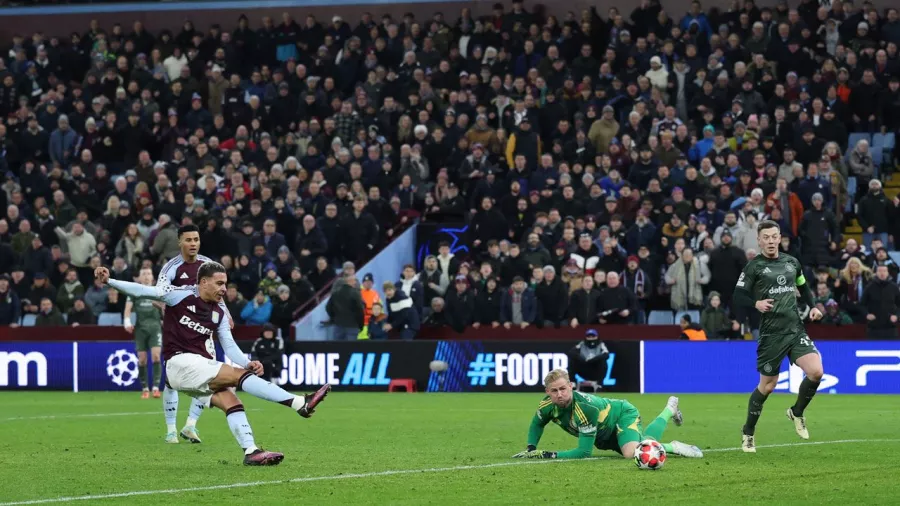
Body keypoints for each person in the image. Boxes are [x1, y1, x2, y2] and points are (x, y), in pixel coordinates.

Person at [94, 263, 331, 466]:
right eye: (219, 284)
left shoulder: (218, 313)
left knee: (231, 400)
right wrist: (110, 280)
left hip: (195, 373)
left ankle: (251, 452)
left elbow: (229, 347)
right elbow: (142, 290)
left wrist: (248, 362)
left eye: (225, 284)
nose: (224, 289)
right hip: (179, 363)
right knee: (237, 378)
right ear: (203, 282)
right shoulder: (180, 295)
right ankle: (300, 403)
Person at [732, 220, 824, 453]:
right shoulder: (753, 267)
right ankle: (748, 433)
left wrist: (812, 306)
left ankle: (797, 412)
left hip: (795, 329)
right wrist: (756, 303)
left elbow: (803, 286)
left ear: (780, 238)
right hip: (771, 335)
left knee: (816, 371)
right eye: (767, 237)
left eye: (775, 237)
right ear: (759, 240)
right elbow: (737, 295)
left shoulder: (792, 263)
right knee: (768, 386)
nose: (771, 241)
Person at [511, 369, 703, 460]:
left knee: (632, 453)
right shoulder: (546, 405)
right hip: (605, 433)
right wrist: (530, 448)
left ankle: (675, 446)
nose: (559, 394)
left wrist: (546, 454)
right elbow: (537, 424)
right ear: (547, 391)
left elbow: (584, 452)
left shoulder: (585, 408)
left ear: (571, 386)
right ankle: (670, 409)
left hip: (621, 415)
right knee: (645, 442)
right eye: (554, 391)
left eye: (563, 388)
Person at [155, 224, 228, 444]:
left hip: (202, 330)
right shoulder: (171, 267)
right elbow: (160, 293)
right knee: (170, 381)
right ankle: (170, 430)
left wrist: (226, 312)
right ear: (180, 242)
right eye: (188, 240)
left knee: (207, 378)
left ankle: (190, 426)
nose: (193, 244)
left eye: (196, 239)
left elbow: (219, 291)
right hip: (178, 329)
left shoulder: (208, 265)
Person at [124, 267, 164, 399]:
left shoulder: (158, 291)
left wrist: (165, 318)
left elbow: (166, 308)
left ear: (152, 277)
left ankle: (156, 388)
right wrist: (127, 322)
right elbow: (128, 308)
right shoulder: (134, 291)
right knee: (142, 359)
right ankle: (145, 388)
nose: (146, 276)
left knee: (156, 357)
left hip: (155, 327)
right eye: (144, 274)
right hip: (140, 328)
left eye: (149, 273)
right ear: (139, 278)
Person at [860, 264, 900, 339]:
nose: (882, 273)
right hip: (874, 327)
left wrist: (896, 316)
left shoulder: (894, 287)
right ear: (876, 273)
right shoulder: (869, 287)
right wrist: (867, 314)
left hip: (890, 327)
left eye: (884, 271)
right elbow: (862, 305)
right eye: (880, 271)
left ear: (888, 273)